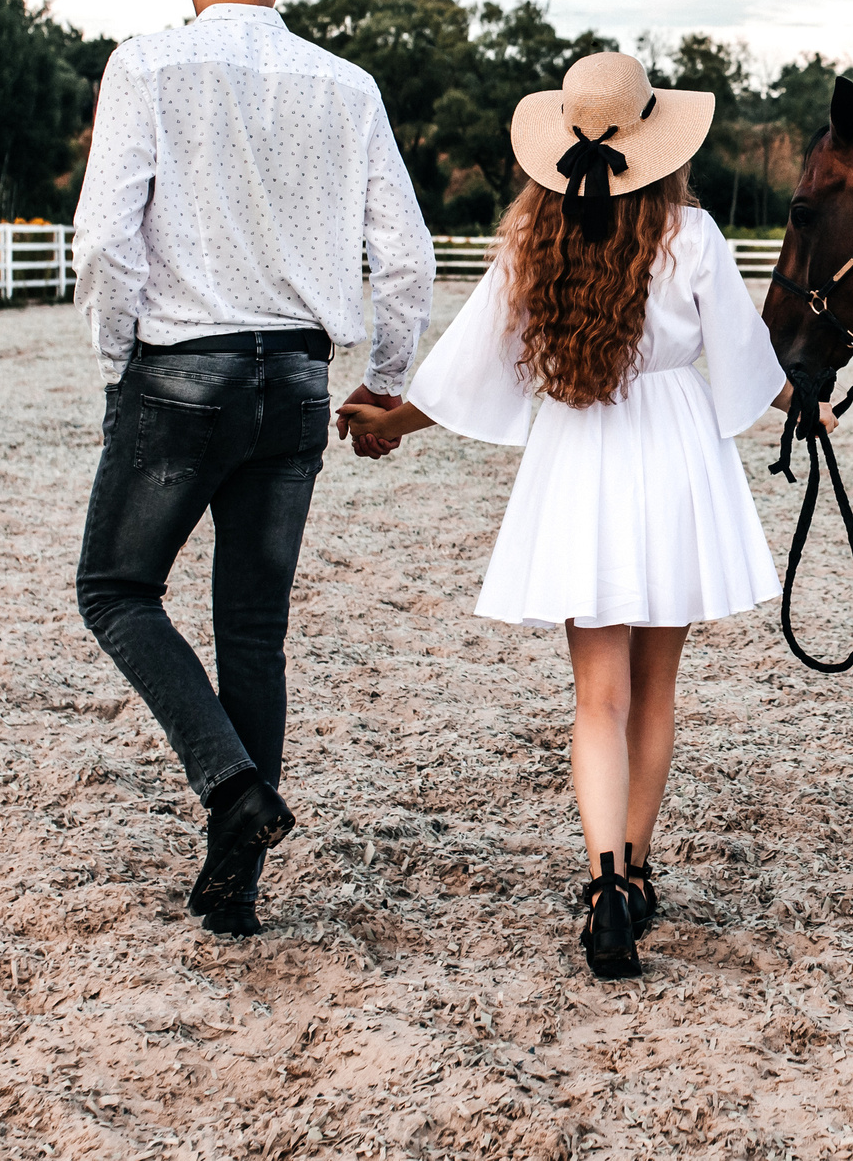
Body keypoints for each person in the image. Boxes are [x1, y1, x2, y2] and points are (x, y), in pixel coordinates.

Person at [333, 50, 823, 980]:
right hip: (674, 452)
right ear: (657, 142)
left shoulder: (534, 241)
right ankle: (635, 872)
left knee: (595, 695)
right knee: (655, 688)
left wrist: (395, 419)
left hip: (580, 456)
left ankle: (600, 882)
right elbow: (748, 362)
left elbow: (472, 359)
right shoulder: (694, 236)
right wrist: (807, 403)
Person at [71, 0, 434, 937]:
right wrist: (384, 378)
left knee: (115, 588)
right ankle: (236, 881)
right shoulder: (348, 86)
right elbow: (403, 256)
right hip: (297, 384)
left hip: (182, 366)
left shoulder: (145, 67)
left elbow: (106, 240)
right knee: (254, 631)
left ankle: (232, 792)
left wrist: (116, 361)